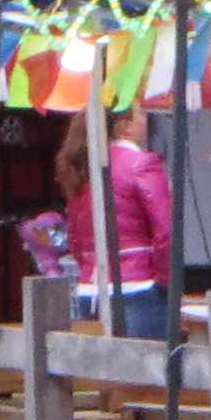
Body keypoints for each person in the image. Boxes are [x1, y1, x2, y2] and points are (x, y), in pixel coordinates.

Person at [68, 108, 173, 339]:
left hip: (90, 287)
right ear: (125, 125)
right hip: (138, 286)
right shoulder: (143, 163)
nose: (147, 120)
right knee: (145, 370)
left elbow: (74, 238)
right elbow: (166, 230)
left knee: (95, 373)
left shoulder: (83, 167)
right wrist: (165, 282)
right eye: (142, 114)